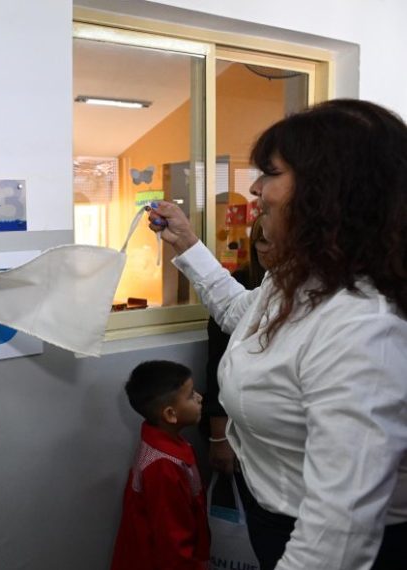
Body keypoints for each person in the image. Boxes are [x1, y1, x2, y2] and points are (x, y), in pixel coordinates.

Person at [147, 99, 407, 570]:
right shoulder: (298, 280)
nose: (254, 189)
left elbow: (338, 534)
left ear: (327, 191)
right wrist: (187, 242)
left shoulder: (363, 325)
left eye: (269, 173)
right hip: (272, 512)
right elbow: (238, 313)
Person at [110, 360, 210, 570]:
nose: (200, 398)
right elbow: (173, 540)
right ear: (170, 414)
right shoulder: (163, 466)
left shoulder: (166, 444)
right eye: (191, 395)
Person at [204, 217, 271, 475]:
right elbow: (218, 365)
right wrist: (219, 437)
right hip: (240, 427)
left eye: (271, 241)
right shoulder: (245, 282)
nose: (265, 249)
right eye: (261, 241)